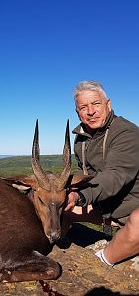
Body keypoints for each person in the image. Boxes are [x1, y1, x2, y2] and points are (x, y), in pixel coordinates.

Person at [62, 80, 139, 266]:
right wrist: (64, 191)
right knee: (55, 209)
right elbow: (83, 173)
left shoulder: (127, 133)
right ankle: (48, 249)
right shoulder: (82, 138)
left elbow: (115, 175)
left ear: (108, 104)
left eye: (96, 103)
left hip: (130, 207)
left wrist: (79, 196)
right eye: (83, 107)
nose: (90, 111)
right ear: (77, 113)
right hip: (103, 207)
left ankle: (102, 263)